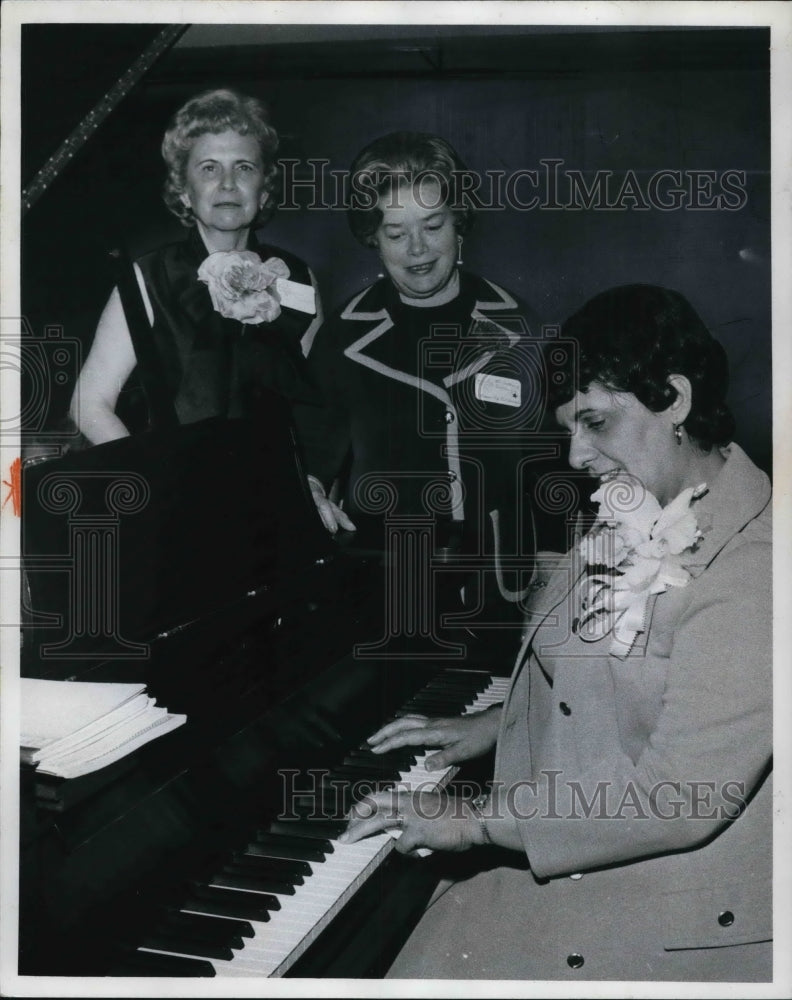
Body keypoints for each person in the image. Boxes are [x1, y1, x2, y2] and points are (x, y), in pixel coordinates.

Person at [339, 284, 772, 982]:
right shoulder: (637, 505)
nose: (576, 456)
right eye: (570, 428)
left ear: (674, 399)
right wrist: (493, 724)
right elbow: (605, 678)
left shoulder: (760, 566)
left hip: (673, 910)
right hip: (573, 846)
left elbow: (681, 795)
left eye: (595, 422)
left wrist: (473, 819)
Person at [294, 131, 551, 635]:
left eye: (433, 225)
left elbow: (552, 462)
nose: (417, 249)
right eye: (395, 233)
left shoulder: (519, 324)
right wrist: (312, 491)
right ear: (373, 236)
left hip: (499, 589)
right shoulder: (343, 335)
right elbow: (310, 459)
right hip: (382, 586)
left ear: (459, 222)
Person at [70, 88, 322, 444]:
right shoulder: (148, 277)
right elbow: (87, 404)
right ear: (184, 191)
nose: (228, 184)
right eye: (209, 169)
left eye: (244, 167)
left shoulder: (297, 277)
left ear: (264, 189)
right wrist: (150, 470)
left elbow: (318, 402)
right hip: (173, 474)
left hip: (278, 473)